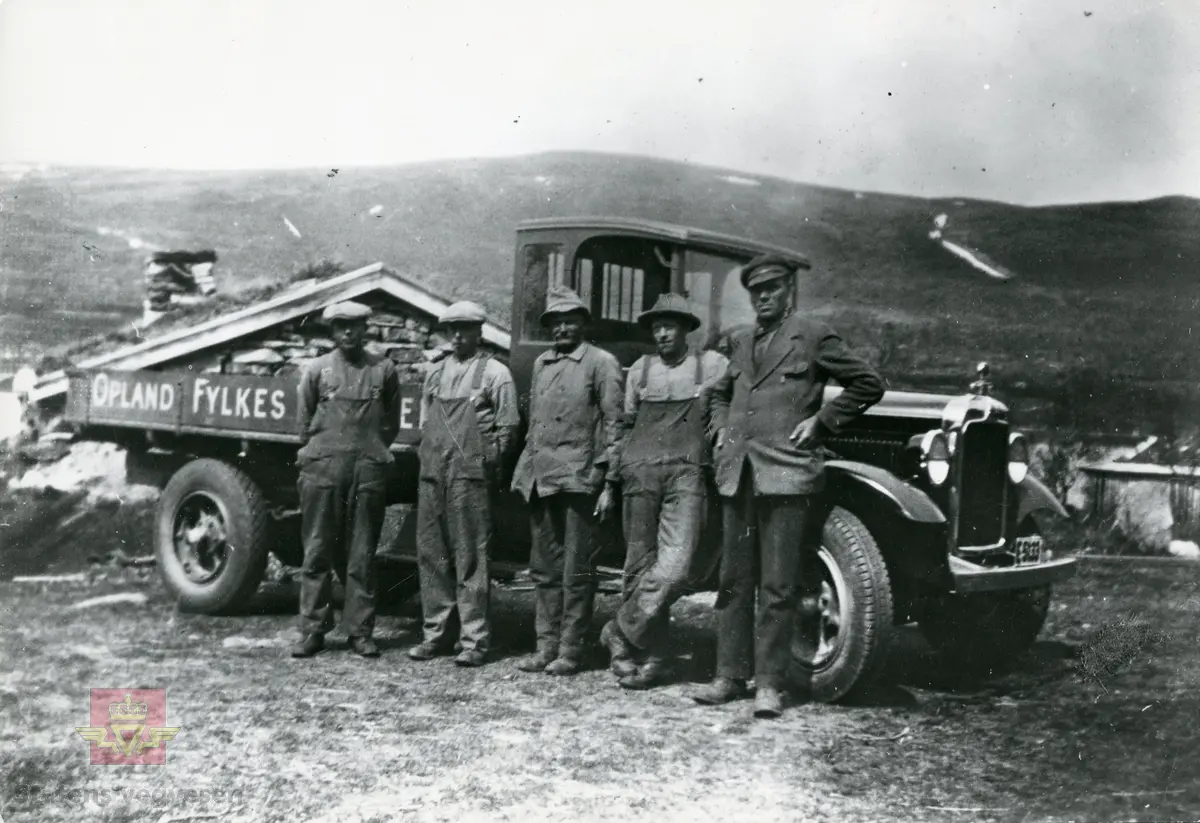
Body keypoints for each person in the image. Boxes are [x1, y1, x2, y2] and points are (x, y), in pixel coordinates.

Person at [693, 254, 884, 717]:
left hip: (787, 473)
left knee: (777, 585)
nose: (763, 298)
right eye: (756, 292)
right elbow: (718, 392)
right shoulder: (739, 341)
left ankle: (769, 685)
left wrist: (822, 423)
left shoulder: (813, 336)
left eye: (772, 290)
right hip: (737, 474)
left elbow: (867, 383)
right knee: (734, 581)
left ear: (788, 292)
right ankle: (728, 676)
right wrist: (721, 429)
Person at [600, 293, 728, 690]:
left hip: (688, 475)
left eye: (670, 325)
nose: (662, 333)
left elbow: (725, 412)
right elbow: (621, 427)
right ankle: (649, 656)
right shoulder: (640, 370)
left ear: (687, 329)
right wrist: (611, 481)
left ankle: (619, 630)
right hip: (640, 475)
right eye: (657, 326)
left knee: (676, 568)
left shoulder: (711, 366)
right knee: (638, 567)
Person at [510, 285, 624, 676]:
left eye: (570, 321)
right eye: (555, 322)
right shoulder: (542, 364)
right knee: (543, 568)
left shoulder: (602, 363)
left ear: (582, 324)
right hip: (542, 479)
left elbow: (615, 425)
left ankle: (571, 651)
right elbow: (534, 424)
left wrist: (608, 482)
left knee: (578, 569)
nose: (562, 328)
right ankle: (545, 647)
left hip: (580, 478)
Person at [409, 301, 519, 667]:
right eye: (452, 329)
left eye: (465, 329)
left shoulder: (495, 374)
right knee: (431, 554)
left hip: (469, 478)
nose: (458, 336)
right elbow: (426, 423)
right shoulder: (435, 373)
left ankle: (474, 640)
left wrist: (488, 467)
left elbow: (507, 429)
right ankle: (435, 634)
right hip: (433, 475)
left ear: (479, 332)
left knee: (470, 557)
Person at [291, 301, 401, 659]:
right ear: (332, 331)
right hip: (323, 470)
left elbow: (391, 423)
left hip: (366, 470)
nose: (349, 332)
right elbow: (303, 422)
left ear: (366, 329)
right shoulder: (318, 370)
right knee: (317, 550)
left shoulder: (383, 370)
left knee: (362, 555)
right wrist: (321, 454)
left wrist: (369, 453)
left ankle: (360, 631)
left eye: (355, 325)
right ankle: (312, 630)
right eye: (341, 326)